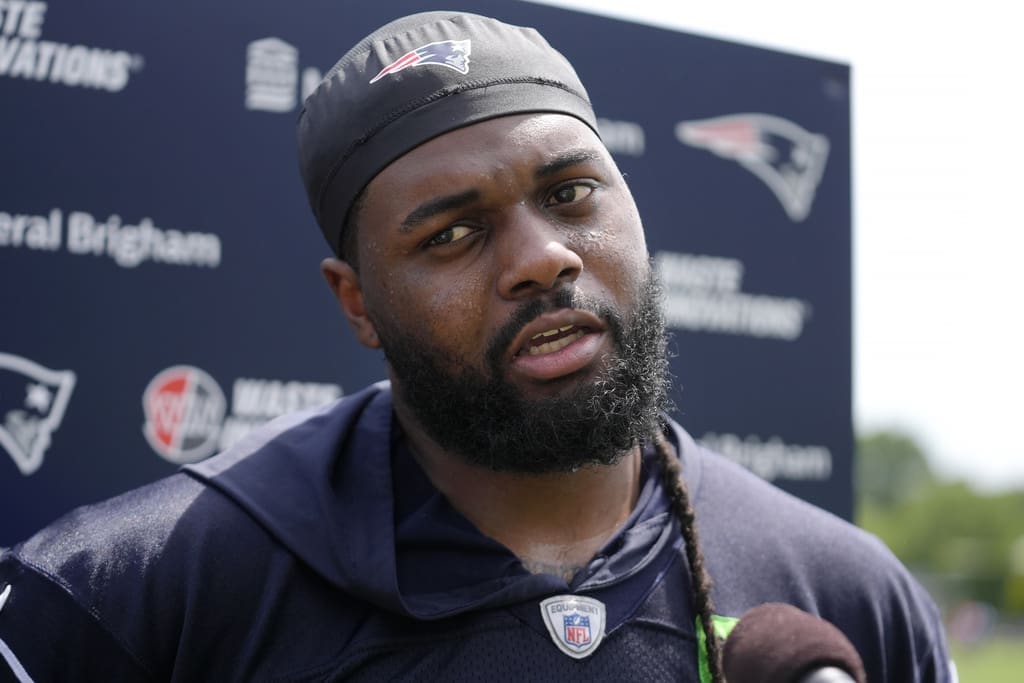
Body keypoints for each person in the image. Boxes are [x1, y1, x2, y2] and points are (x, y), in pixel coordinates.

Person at [0, 10, 953, 682]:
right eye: (451, 233)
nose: (542, 259)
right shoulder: (129, 592)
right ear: (358, 304)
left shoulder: (847, 596)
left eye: (572, 193)